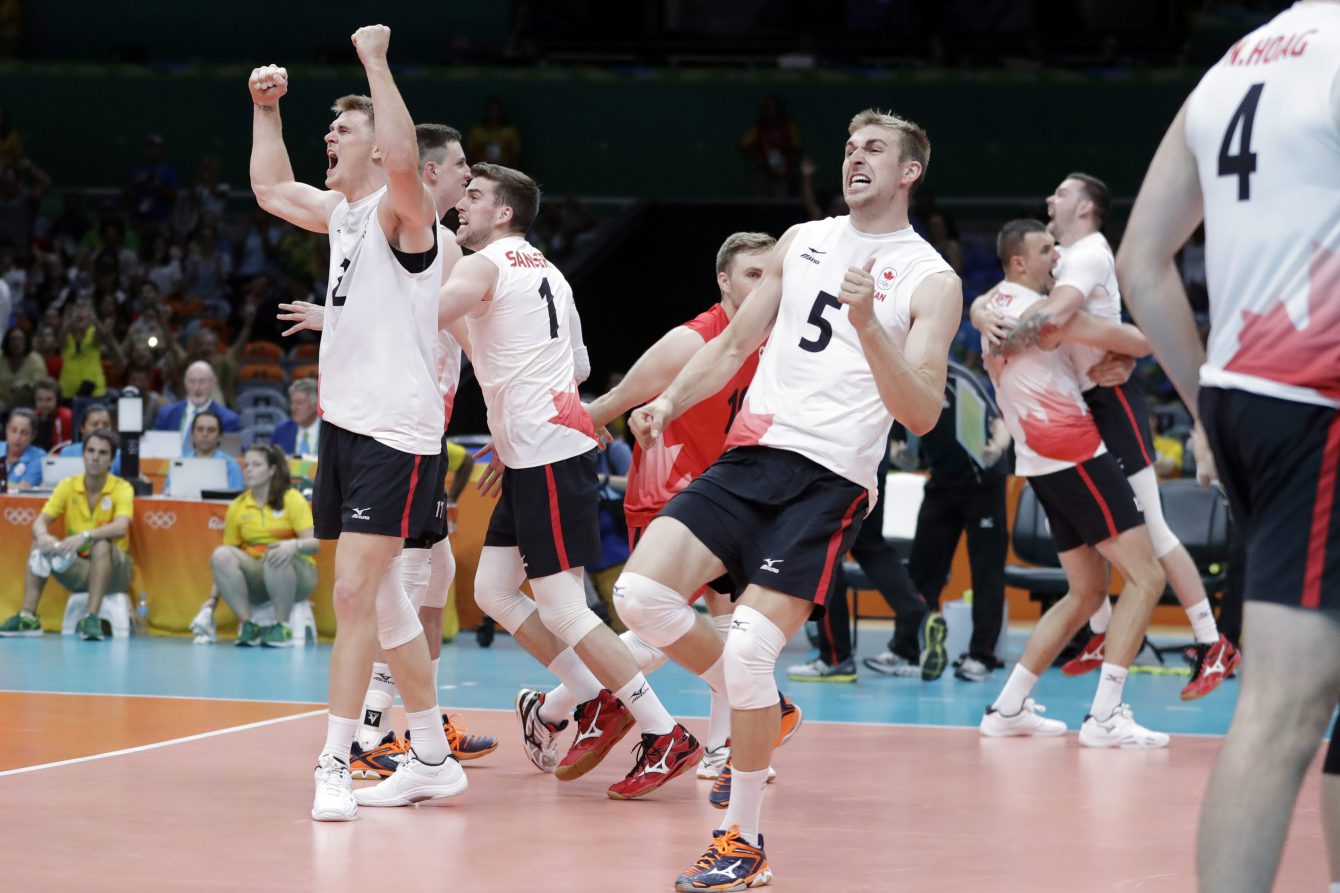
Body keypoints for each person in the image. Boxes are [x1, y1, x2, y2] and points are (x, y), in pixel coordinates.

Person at [618, 109, 961, 890]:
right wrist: (670, 400)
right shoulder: (801, 239)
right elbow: (735, 343)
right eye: (848, 147)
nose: (855, 158)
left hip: (830, 477)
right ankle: (762, 705)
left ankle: (741, 837)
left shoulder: (930, 278)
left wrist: (870, 323)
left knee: (747, 646)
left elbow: (922, 412)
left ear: (910, 170)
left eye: (874, 148)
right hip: (750, 457)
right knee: (639, 594)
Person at [1113, 5, 1340, 889]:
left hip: (1250, 399)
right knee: (1285, 706)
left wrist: (1209, 400)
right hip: (1316, 401)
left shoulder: (1234, 66)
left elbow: (1142, 263)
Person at [250, 26, 465, 822]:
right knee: (386, 603)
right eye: (328, 128)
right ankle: (434, 757)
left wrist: (375, 64)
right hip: (345, 426)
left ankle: (335, 760)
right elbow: (273, 189)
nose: (329, 137)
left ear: (381, 151)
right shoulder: (344, 215)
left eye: (345, 128)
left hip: (394, 430)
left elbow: (408, 163)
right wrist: (265, 112)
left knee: (352, 591)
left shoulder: (405, 219)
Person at [439, 161, 702, 800]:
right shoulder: (550, 272)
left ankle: (662, 730)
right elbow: (572, 364)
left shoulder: (484, 265)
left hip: (549, 453)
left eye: (473, 196)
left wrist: (339, 305)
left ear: (503, 214)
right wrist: (511, 434)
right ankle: (591, 698)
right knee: (495, 589)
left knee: (561, 605)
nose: (461, 205)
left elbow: (412, 313)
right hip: (536, 448)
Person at [278, 122, 498, 774]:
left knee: (422, 579)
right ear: (429, 172)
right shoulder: (437, 239)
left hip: (411, 426)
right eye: (461, 167)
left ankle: (410, 729)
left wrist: (336, 317)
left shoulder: (420, 234)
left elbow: (431, 323)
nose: (468, 178)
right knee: (397, 582)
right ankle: (378, 731)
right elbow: (444, 324)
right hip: (399, 428)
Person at [973, 173, 1242, 702]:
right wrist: (983, 309)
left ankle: (1212, 642)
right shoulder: (1063, 257)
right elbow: (1018, 294)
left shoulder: (1089, 253)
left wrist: (1002, 323)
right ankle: (1100, 631)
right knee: (1090, 541)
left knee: (1151, 529)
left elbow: (1056, 318)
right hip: (1082, 397)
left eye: (1063, 193)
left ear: (1088, 208)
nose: (1051, 198)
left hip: (1108, 401)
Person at [569, 231, 802, 801]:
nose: (766, 284)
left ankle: (721, 748)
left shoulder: (778, 341)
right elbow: (614, 400)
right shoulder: (691, 340)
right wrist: (551, 445)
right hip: (668, 494)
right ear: (723, 280)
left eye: (771, 274)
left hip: (733, 493)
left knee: (731, 621)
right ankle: (564, 704)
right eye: (752, 274)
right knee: (656, 620)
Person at [976, 218, 1169, 749]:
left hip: (1040, 461)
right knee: (1147, 578)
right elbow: (1139, 338)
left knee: (1086, 592)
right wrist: (1128, 354)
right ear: (1019, 263)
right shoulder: (1044, 312)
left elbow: (986, 307)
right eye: (1045, 250)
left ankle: (1007, 706)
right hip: (1075, 451)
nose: (1057, 257)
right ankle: (1106, 716)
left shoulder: (992, 307)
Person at [0, 429, 134, 640]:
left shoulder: (121, 487)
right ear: (83, 455)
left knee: (101, 544)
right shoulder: (68, 485)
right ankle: (28, 618)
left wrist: (86, 536)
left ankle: (92, 617)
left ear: (111, 460)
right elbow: (40, 521)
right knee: (38, 546)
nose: (95, 457)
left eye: (102, 453)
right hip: (80, 568)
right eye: (90, 451)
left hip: (116, 572)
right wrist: (44, 536)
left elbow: (121, 526)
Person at [203, 444, 318, 646]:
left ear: (272, 470)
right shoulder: (238, 506)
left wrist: (292, 545)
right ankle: (249, 625)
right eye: (246, 465)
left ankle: (282, 627)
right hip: (259, 577)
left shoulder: (292, 499)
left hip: (297, 575)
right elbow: (227, 558)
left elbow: (314, 543)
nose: (248, 469)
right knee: (221, 555)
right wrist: (211, 602)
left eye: (256, 465)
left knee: (273, 554)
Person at [152, 360, 241, 450]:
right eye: (192, 382)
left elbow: (232, 454)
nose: (197, 388)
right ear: (185, 384)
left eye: (202, 382)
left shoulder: (228, 419)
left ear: (213, 383)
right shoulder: (166, 414)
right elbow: (154, 448)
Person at [164, 409, 243, 495]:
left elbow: (237, 502)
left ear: (219, 436)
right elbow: (166, 497)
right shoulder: (179, 464)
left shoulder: (231, 465)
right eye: (200, 429)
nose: (205, 434)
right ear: (192, 435)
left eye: (211, 430)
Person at [58, 403, 122, 475]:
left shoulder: (119, 455)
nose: (100, 428)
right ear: (82, 428)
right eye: (95, 424)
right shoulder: (68, 452)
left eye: (106, 425)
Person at [270, 377, 320, 457]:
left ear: (315, 406)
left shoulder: (330, 432)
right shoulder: (281, 431)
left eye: (299, 403)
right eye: (292, 403)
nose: (293, 408)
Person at [0, 326, 45, 406]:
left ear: (26, 342)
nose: (16, 343)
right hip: (3, 402)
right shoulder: (1, 358)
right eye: (13, 340)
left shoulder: (35, 359)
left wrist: (26, 385)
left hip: (29, 404)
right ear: (7, 343)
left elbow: (40, 384)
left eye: (20, 339)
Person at [1, 407, 43, 488]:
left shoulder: (39, 457)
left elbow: (24, 487)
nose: (17, 437)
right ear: (6, 429)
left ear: (33, 435)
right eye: (13, 430)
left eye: (24, 433)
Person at [31, 377, 71, 451]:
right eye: (40, 399)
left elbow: (66, 448)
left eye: (49, 399)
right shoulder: (32, 418)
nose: (44, 404)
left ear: (57, 399)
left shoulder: (66, 417)